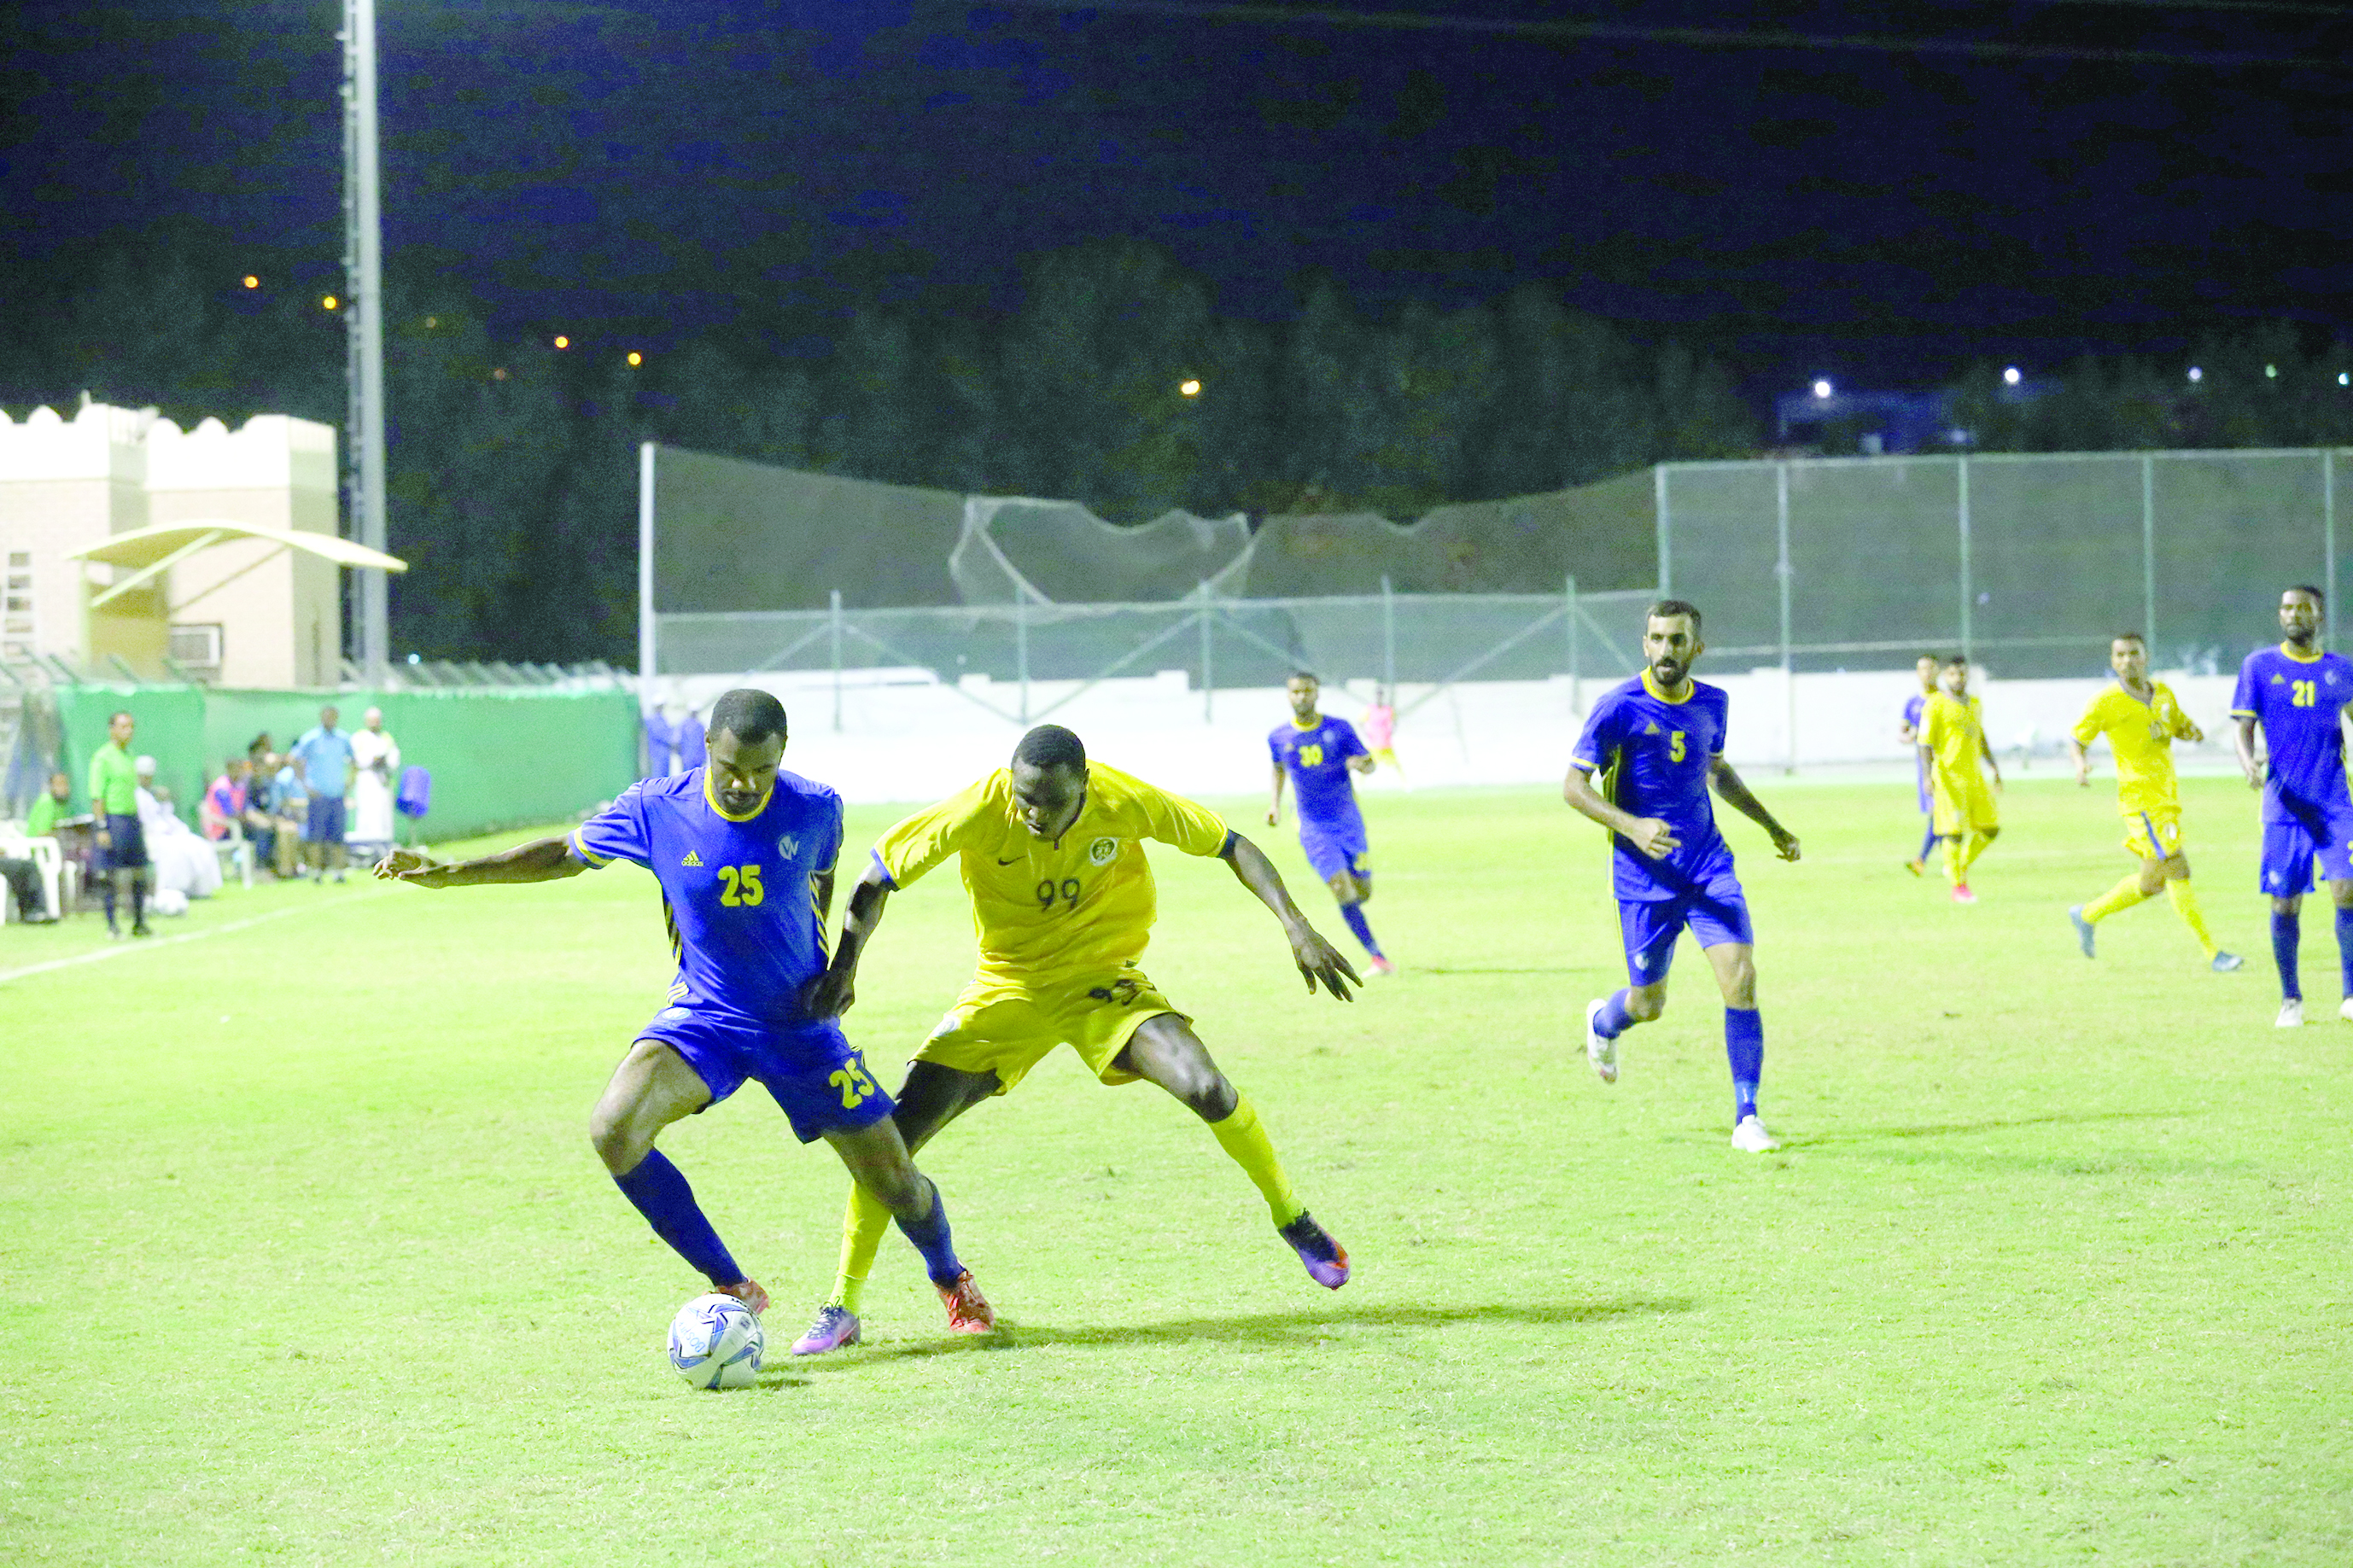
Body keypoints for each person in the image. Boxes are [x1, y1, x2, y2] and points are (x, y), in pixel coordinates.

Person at [376, 688, 992, 1336]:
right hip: (706, 1019)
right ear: (706, 749)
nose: (745, 784)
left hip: (800, 1029)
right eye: (730, 768)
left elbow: (821, 880)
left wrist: (841, 969)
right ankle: (732, 1284)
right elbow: (561, 854)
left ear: (784, 757)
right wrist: (449, 872)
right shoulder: (655, 808)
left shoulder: (816, 807)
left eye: (762, 770)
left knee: (896, 1179)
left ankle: (952, 1278)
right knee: (614, 1129)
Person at [785, 722, 1359, 1356]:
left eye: (1049, 802)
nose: (1031, 813)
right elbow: (877, 876)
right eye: (1023, 797)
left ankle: (1292, 1217)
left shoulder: (1124, 799)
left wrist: (1296, 925)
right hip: (1006, 991)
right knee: (888, 1142)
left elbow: (1233, 843)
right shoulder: (981, 807)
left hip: (1101, 982)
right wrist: (845, 968)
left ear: (1084, 783)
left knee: (1209, 1088)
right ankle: (844, 1304)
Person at [1567, 600, 1801, 1154]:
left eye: (1678, 640)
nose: (1666, 649)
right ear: (1644, 644)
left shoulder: (1714, 703)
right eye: (1657, 638)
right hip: (1643, 879)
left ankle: (1748, 1116)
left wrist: (1770, 824)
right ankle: (1605, 1021)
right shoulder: (1617, 707)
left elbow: (1715, 769)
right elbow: (1573, 788)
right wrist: (1633, 826)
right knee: (1649, 1004)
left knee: (1740, 979)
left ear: (1697, 647)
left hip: (1707, 866)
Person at [2066, 635, 2242, 973]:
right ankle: (2212, 952)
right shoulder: (2105, 701)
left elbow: (2176, 724)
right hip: (2141, 800)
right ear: (2113, 661)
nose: (2127, 660)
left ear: (2145, 657)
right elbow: (2077, 739)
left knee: (2151, 884)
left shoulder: (2162, 692)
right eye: (2120, 655)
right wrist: (2079, 765)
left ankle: (2087, 915)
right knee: (2178, 868)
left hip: (2167, 797)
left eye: (2134, 653)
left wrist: (2192, 732)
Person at [2229, 585, 2353, 1028]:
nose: (2293, 614)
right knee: (2284, 902)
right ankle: (2291, 999)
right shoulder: (2259, 666)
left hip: (2335, 804)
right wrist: (2248, 765)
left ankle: (2350, 995)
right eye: (2286, 607)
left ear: (2319, 615)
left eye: (2303, 608)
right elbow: (2243, 729)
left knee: (2348, 890)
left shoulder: (2343, 671)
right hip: (2284, 806)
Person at [1267, 670, 1393, 976]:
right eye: (1296, 692)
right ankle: (1377, 957)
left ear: (1317, 693)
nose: (1302, 697)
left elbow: (1370, 764)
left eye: (1307, 691)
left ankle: (1366, 933)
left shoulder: (1339, 728)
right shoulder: (1279, 736)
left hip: (1349, 825)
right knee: (1341, 888)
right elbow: (1278, 768)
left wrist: (1362, 765)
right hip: (1314, 829)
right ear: (1288, 695)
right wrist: (1274, 805)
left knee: (1362, 892)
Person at [1918, 655, 2001, 902]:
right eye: (1953, 674)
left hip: (1974, 777)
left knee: (1990, 829)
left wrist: (1994, 767)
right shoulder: (1935, 704)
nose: (1958, 678)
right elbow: (1925, 743)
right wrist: (1927, 777)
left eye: (1962, 674)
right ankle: (1959, 887)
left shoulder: (1974, 703)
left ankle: (1958, 865)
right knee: (1953, 833)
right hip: (1947, 778)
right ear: (1945, 676)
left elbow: (1980, 735)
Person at [88, 710, 150, 938]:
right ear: (112, 730)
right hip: (114, 820)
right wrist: (102, 826)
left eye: (131, 726)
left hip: (131, 819)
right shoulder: (103, 757)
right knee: (110, 873)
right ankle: (112, 925)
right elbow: (97, 795)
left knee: (139, 871)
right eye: (124, 726)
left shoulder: (129, 756)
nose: (129, 731)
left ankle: (139, 922)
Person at [135, 756, 223, 901]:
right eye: (144, 776)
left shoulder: (153, 794)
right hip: (155, 836)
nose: (147, 779)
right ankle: (175, 890)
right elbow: (148, 822)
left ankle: (199, 889)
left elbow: (166, 816)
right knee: (176, 851)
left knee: (200, 846)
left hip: (171, 832)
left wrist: (164, 800)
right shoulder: (137, 795)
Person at [290, 705, 356, 883]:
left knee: (338, 838)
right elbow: (295, 760)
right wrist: (305, 785)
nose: (330, 720)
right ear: (321, 717)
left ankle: (338, 873)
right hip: (318, 796)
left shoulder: (342, 739)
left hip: (337, 795)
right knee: (316, 837)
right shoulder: (311, 739)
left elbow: (354, 761)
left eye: (333, 716)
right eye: (327, 716)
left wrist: (350, 781)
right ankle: (317, 872)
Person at [1898, 653, 1941, 875]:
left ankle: (1922, 860)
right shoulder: (1913, 703)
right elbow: (1902, 733)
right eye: (1922, 669)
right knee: (1939, 814)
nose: (1926, 673)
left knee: (1939, 812)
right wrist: (1912, 735)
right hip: (1924, 765)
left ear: (1938, 671)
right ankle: (1949, 862)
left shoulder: (1945, 699)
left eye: (1930, 668)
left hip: (1945, 763)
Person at [348, 707, 402, 859]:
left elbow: (394, 758)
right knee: (366, 814)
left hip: (383, 780)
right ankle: (365, 852)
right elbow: (354, 759)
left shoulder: (386, 738)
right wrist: (370, 760)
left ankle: (385, 851)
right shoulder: (359, 737)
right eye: (371, 720)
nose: (374, 723)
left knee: (383, 815)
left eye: (377, 720)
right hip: (366, 780)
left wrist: (384, 761)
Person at [261, 753, 305, 879]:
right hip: (266, 819)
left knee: (292, 829)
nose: (272, 769)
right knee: (286, 831)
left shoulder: (280, 782)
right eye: (269, 766)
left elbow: (284, 803)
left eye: (275, 766)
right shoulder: (260, 783)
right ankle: (286, 871)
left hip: (282, 818)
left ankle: (293, 868)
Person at [1362, 683, 1406, 784]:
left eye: (1381, 694)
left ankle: (1405, 785)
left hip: (1386, 744)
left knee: (1396, 765)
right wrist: (1367, 733)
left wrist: (1391, 731)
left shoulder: (1388, 710)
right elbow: (1361, 722)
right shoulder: (1369, 709)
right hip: (1374, 745)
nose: (1379, 696)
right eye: (1377, 694)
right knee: (1367, 765)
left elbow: (1395, 721)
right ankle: (1359, 787)